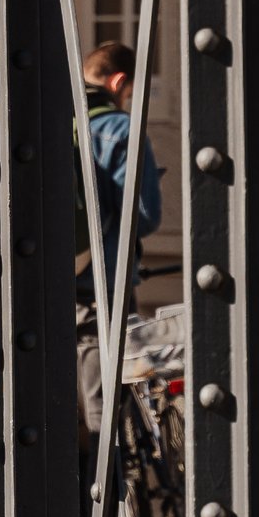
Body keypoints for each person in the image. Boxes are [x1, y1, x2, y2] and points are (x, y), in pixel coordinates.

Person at [73, 43, 162, 440]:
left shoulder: (56, 121)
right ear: (119, 81)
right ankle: (107, 501)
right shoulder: (120, 130)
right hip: (101, 290)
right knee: (104, 417)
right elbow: (142, 218)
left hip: (47, 288)